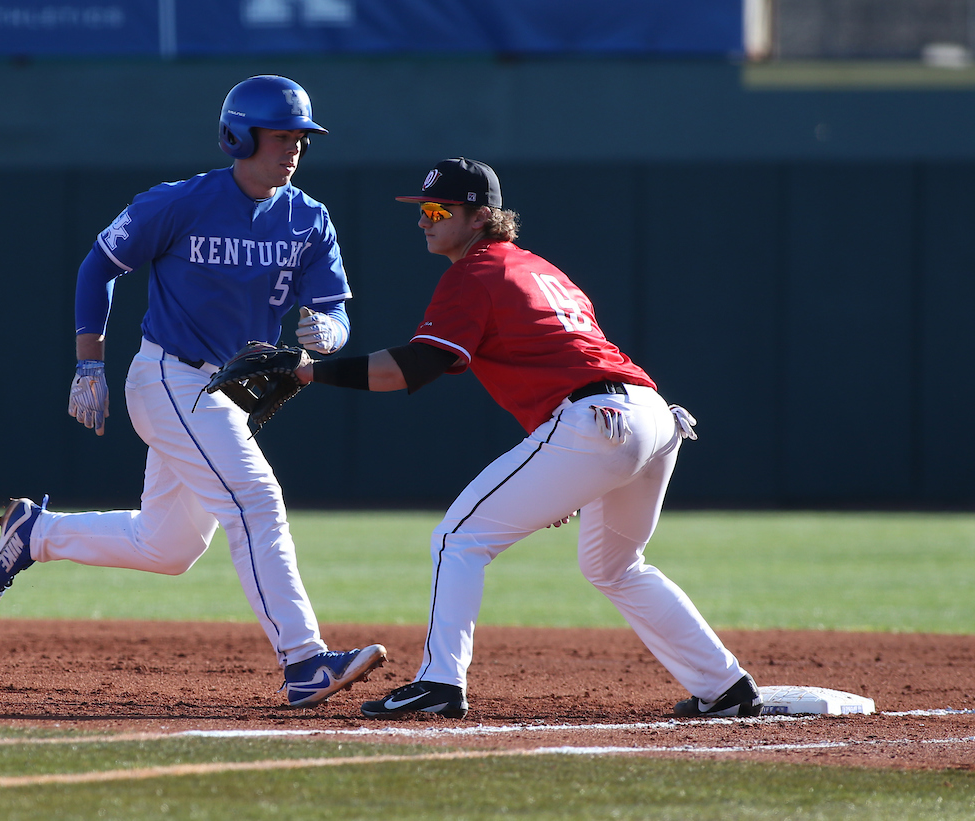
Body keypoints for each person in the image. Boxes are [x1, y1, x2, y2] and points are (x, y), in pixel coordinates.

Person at [294, 158, 762, 720]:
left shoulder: (475, 273)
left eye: (439, 209)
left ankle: (439, 682)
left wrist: (309, 371)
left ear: (480, 217)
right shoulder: (541, 268)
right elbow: (562, 360)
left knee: (457, 539)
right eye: (422, 209)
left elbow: (414, 367)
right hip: (651, 417)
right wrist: (572, 475)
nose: (424, 220)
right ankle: (726, 686)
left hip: (600, 419)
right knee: (615, 567)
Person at [0, 75, 386, 708]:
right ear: (240, 136)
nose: (295, 148)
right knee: (255, 501)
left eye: (302, 137)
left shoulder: (309, 218)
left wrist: (330, 328)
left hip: (224, 392)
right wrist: (90, 366)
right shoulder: (179, 203)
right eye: (281, 135)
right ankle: (303, 660)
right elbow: (99, 268)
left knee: (165, 547)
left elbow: (333, 308)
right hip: (169, 375)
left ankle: (36, 534)